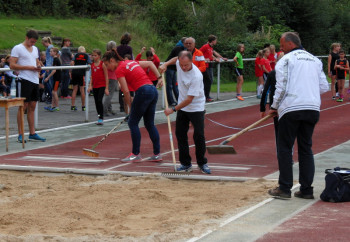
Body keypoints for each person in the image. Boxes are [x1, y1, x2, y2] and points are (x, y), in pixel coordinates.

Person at [267, 32, 329, 200]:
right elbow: (324, 86)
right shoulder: (315, 60)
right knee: (305, 148)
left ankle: (285, 188)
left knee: (285, 148)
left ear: (290, 44)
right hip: (313, 108)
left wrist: (274, 106)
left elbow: (282, 87)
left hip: (291, 109)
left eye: (281, 45)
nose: (280, 48)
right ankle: (306, 189)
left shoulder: (285, 61)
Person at [102, 49, 163, 162]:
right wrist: (159, 77)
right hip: (152, 90)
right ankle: (157, 153)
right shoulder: (131, 62)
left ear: (112, 60)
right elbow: (150, 63)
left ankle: (135, 154)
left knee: (132, 122)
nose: (108, 68)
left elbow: (125, 91)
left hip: (143, 91)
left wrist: (131, 108)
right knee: (149, 124)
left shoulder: (119, 69)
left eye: (107, 65)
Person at [160, 51, 211, 174]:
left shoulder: (196, 76)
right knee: (180, 135)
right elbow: (174, 60)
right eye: (181, 65)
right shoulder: (179, 62)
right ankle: (185, 164)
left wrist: (173, 109)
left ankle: (202, 163)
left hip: (196, 107)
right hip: (183, 108)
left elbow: (189, 99)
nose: (183, 68)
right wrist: (165, 64)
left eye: (186, 65)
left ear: (191, 62)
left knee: (199, 136)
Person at [10, 29, 46, 142]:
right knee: (23, 107)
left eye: (35, 42)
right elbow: (12, 65)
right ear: (26, 38)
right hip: (24, 80)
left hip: (35, 80)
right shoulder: (17, 48)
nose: (33, 44)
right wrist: (28, 67)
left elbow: (36, 61)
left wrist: (39, 65)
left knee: (33, 106)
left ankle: (32, 132)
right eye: (31, 41)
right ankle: (20, 134)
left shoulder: (35, 49)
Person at [200, 35, 228, 102]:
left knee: (209, 81)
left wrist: (219, 58)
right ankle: (205, 96)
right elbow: (198, 53)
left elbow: (212, 55)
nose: (216, 42)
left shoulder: (210, 47)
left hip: (209, 65)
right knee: (208, 81)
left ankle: (206, 96)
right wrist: (203, 59)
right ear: (213, 41)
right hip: (204, 66)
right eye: (215, 40)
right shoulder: (205, 46)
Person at [87, 49, 109, 125]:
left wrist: (106, 88)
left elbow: (106, 76)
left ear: (99, 56)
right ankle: (99, 116)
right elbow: (92, 76)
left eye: (95, 55)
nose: (93, 57)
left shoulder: (102, 64)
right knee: (96, 102)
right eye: (92, 55)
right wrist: (90, 85)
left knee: (99, 100)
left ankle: (101, 117)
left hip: (102, 85)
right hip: (95, 86)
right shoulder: (92, 65)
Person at [164, 37, 187, 106]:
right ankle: (170, 101)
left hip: (174, 69)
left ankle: (179, 100)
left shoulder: (183, 49)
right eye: (186, 43)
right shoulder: (178, 48)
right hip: (169, 68)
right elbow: (178, 59)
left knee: (175, 85)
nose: (188, 45)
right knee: (170, 85)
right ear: (183, 43)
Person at [117, 32, 133, 113]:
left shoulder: (118, 48)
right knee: (129, 87)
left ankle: (122, 105)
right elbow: (131, 58)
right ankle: (129, 103)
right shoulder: (129, 48)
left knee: (122, 88)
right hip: (127, 68)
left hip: (120, 67)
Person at [71, 46, 91, 111]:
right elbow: (89, 63)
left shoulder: (76, 55)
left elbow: (72, 63)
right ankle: (83, 106)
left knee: (74, 89)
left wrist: (71, 70)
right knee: (82, 89)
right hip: (81, 73)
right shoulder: (86, 55)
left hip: (74, 72)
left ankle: (72, 105)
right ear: (84, 51)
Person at [43, 47, 61, 112]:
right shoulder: (55, 59)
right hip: (55, 78)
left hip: (57, 78)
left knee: (54, 92)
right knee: (53, 92)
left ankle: (57, 106)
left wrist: (48, 77)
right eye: (50, 51)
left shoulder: (56, 60)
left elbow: (54, 70)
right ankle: (53, 106)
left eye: (51, 51)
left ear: (55, 52)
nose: (50, 52)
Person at [103, 41, 118, 116]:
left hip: (106, 76)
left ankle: (109, 108)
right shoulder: (114, 55)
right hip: (112, 76)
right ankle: (104, 109)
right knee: (110, 94)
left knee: (107, 93)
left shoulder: (105, 55)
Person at [41, 36, 54, 104]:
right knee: (45, 81)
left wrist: (49, 66)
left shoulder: (50, 48)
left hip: (49, 67)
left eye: (43, 43)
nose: (43, 45)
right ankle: (49, 96)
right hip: (48, 66)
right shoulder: (50, 47)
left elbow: (50, 58)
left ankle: (50, 96)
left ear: (46, 42)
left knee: (47, 82)